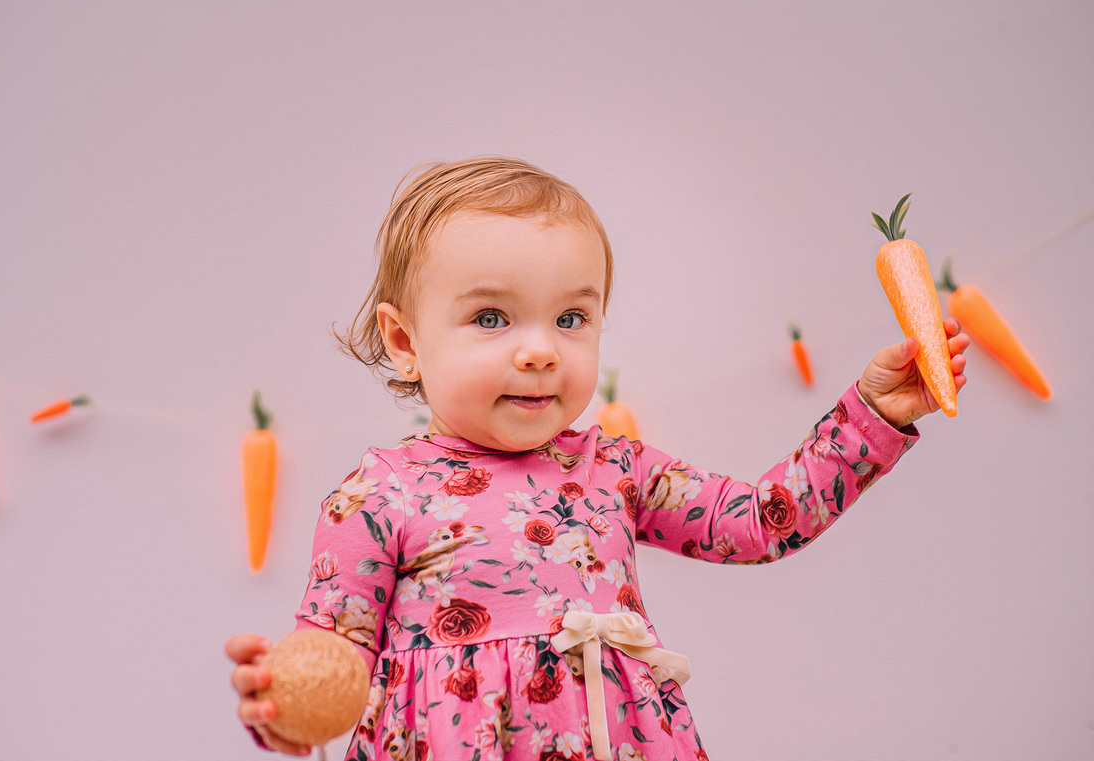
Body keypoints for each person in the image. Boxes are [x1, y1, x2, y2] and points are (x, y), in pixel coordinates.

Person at [227, 157, 969, 761]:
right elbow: (335, 655)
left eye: (572, 317)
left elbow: (761, 524)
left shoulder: (614, 468)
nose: (542, 347)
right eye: (491, 317)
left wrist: (871, 415)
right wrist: (289, 705)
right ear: (405, 341)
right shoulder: (376, 495)